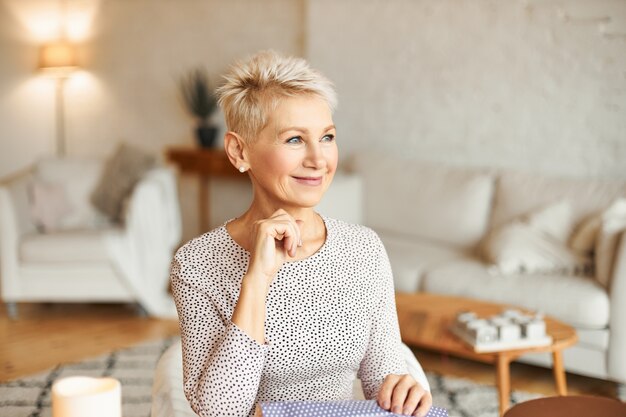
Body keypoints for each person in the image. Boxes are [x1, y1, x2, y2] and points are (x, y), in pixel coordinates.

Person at [170, 50, 432, 417]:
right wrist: (257, 279)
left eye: (327, 137)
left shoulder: (363, 248)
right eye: (294, 139)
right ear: (238, 151)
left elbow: (382, 381)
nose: (318, 159)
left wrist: (401, 389)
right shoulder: (197, 263)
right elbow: (220, 411)